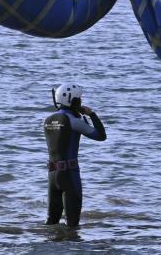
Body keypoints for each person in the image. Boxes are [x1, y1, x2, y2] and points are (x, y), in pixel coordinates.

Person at [44, 83, 106, 227]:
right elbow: (101, 136)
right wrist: (91, 114)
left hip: (52, 175)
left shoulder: (48, 121)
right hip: (69, 175)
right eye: (79, 99)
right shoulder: (74, 121)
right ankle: (73, 248)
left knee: (51, 222)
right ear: (73, 101)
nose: (81, 102)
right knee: (72, 225)